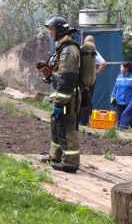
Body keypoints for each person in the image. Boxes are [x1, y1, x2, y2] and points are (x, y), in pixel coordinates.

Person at [40, 15, 81, 174]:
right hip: (62, 97)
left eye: (52, 29)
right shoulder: (62, 48)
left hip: (68, 98)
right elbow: (59, 74)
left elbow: (67, 79)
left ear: (59, 31)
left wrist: (59, 103)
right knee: (56, 125)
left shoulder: (68, 51)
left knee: (67, 129)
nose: (50, 32)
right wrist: (48, 73)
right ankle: (55, 156)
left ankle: (70, 163)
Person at [78, 35, 107, 126]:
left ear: (84, 42)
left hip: (79, 79)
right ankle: (84, 121)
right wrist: (97, 72)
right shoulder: (94, 52)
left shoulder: (79, 49)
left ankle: (76, 121)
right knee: (87, 99)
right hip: (90, 80)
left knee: (77, 99)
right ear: (93, 43)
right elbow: (103, 63)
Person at [110, 61, 132, 129]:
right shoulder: (119, 76)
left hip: (130, 101)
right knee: (120, 117)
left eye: (121, 67)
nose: (120, 69)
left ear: (126, 68)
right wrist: (112, 97)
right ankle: (119, 131)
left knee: (129, 116)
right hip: (119, 100)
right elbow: (115, 87)